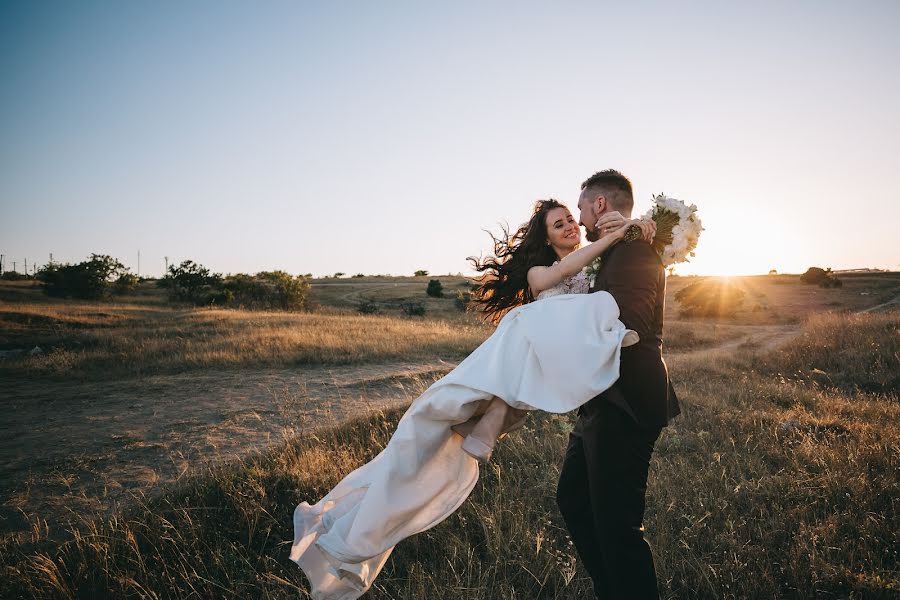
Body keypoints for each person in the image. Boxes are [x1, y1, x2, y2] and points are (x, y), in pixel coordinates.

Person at [289, 196, 654, 600]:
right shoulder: (540, 272)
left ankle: (489, 422)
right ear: (545, 239)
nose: (570, 225)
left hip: (546, 368)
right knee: (432, 431)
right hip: (517, 357)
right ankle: (353, 531)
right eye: (558, 224)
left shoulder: (591, 268)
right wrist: (619, 234)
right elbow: (565, 271)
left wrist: (632, 230)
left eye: (571, 219)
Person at [556, 169, 680, 600]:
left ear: (600, 205)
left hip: (625, 402)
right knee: (573, 499)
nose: (579, 216)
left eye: (582, 205)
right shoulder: (616, 249)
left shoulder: (635, 253)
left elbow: (631, 328)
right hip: (601, 401)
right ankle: (612, 589)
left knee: (617, 527)